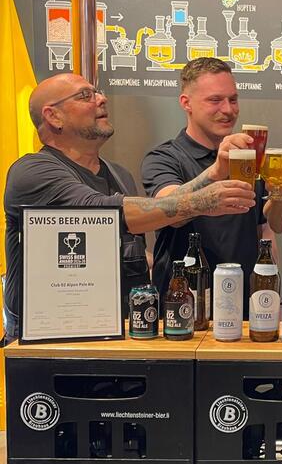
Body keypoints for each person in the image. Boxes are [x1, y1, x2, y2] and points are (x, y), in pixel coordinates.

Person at [3, 72, 255, 341]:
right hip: (51, 337)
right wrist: (203, 201)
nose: (101, 99)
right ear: (53, 116)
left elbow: (129, 243)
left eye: (98, 92)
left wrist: (214, 174)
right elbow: (104, 213)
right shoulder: (33, 171)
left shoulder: (119, 174)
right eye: (85, 96)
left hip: (122, 333)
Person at [141, 57, 272, 305]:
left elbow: (262, 231)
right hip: (182, 306)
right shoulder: (163, 158)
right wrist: (216, 171)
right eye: (215, 100)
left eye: (233, 99)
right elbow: (167, 210)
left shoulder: (247, 158)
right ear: (186, 103)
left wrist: (273, 295)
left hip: (244, 307)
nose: (228, 110)